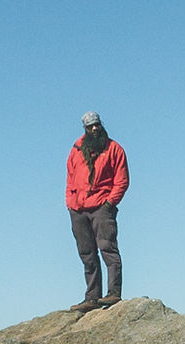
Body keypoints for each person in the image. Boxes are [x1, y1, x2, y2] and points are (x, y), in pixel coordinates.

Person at [66, 111, 129, 312]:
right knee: (87, 254)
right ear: (85, 129)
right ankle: (92, 297)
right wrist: (70, 202)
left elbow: (122, 180)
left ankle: (113, 294)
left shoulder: (114, 149)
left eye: (97, 125)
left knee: (107, 249)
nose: (94, 129)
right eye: (90, 126)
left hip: (102, 207)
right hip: (78, 209)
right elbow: (70, 177)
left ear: (101, 125)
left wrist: (109, 204)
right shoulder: (76, 149)